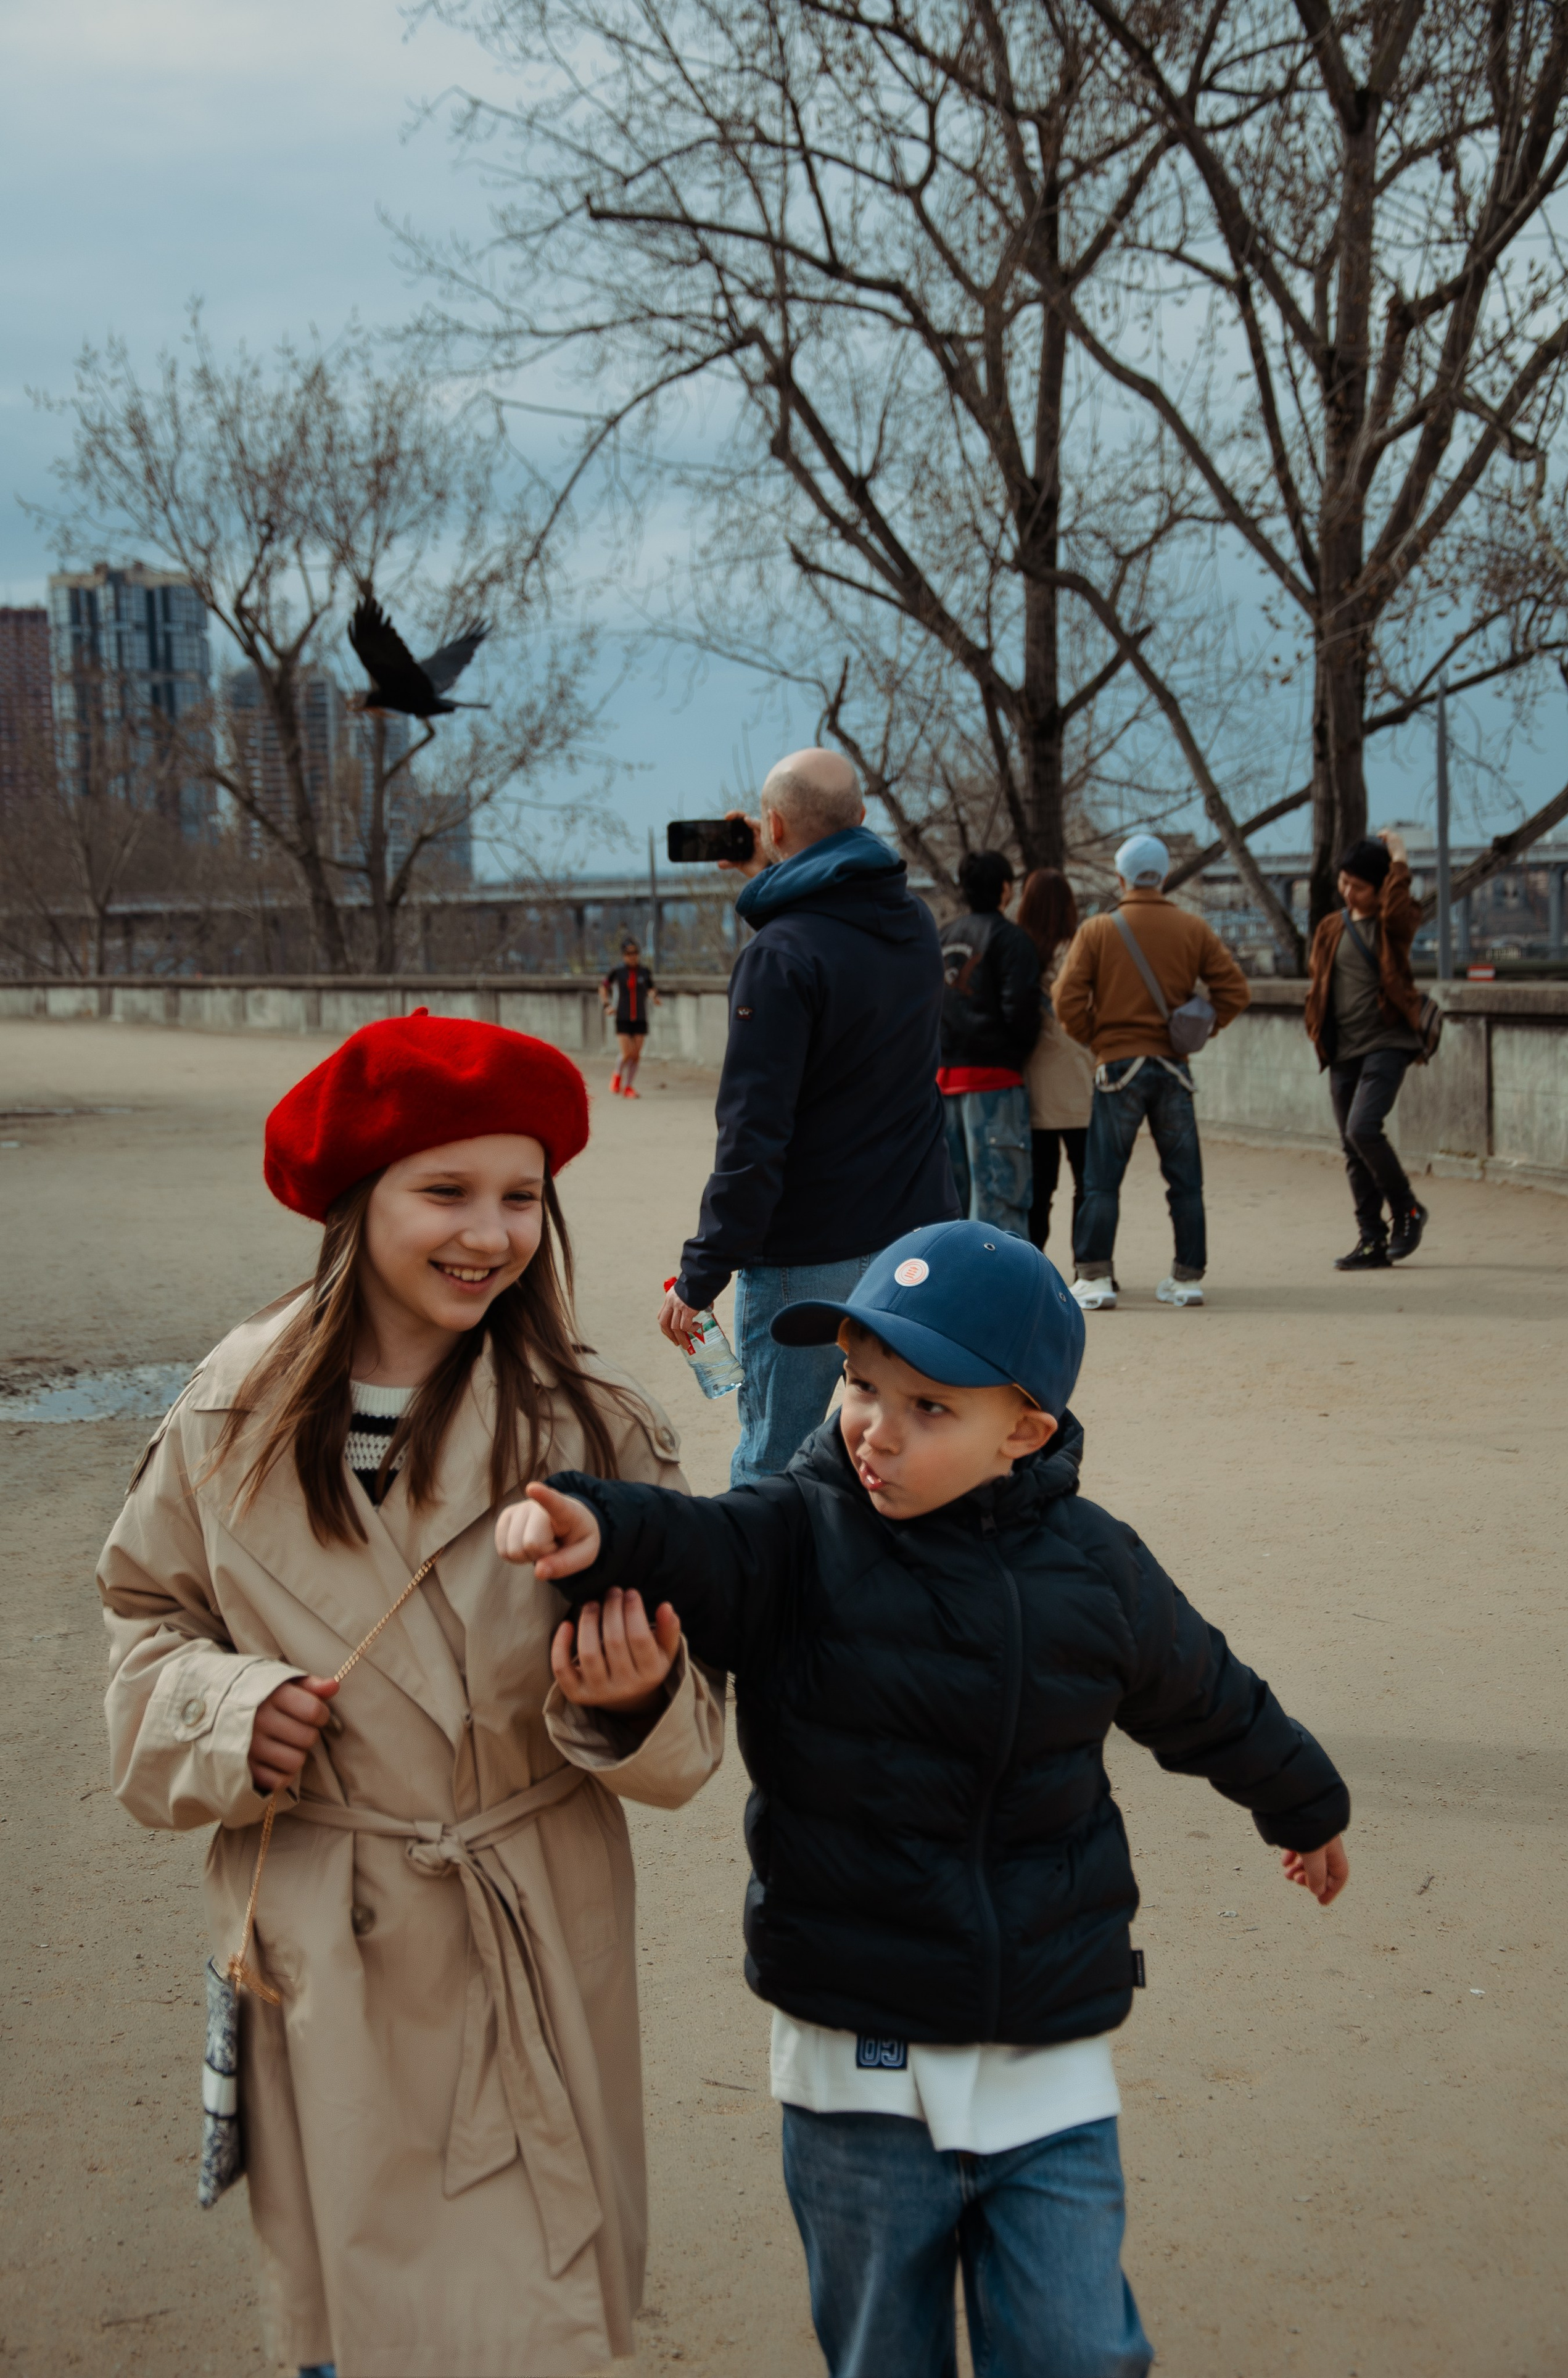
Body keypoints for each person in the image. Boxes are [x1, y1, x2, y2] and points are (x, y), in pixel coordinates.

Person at [498, 1220, 1351, 2378]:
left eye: (927, 1408)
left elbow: (1210, 1697)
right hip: (857, 2056)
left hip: (1045, 2051)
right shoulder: (796, 1535)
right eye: (858, 1385)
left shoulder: (1098, 1570)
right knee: (879, 2356)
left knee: (1076, 2351)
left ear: (1027, 1429)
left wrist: (1305, 1807)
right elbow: (699, 1543)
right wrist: (598, 1527)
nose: (871, 1431)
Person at [97, 1011, 724, 2378]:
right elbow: (147, 1619)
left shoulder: (593, 1425)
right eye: (445, 1191)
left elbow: (694, 1723)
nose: (489, 1232)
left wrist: (633, 1697)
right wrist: (223, 1707)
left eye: (518, 1195)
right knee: (355, 2325)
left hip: (532, 1924)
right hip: (326, 1932)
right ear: (353, 1200)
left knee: (521, 2324)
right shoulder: (229, 1411)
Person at [657, 748, 956, 1485]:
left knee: (775, 1460)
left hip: (807, 1254)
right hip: (911, 1236)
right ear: (860, 819)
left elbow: (755, 1135)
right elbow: (842, 913)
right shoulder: (914, 926)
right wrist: (780, 863)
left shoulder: (780, 956)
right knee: (894, 1451)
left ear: (773, 823)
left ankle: (761, 1601)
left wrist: (702, 1274)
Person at [1055, 832, 1249, 1311]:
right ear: (1162, 876)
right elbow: (1235, 992)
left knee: (1102, 1179)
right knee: (1185, 1180)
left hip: (1118, 1065)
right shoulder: (1193, 928)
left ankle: (1095, 1275)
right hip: (1173, 1068)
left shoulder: (1099, 930)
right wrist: (1197, 1030)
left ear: (1121, 877)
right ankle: (1187, 1278)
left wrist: (1099, 1039)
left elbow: (1065, 1000)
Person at [1303, 828, 1429, 1270]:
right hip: (1343, 1049)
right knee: (1352, 1147)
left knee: (1363, 1128)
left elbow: (1397, 909)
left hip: (1387, 1042)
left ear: (1380, 888)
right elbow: (1319, 982)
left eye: (1359, 886)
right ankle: (1372, 1240)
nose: (1348, 892)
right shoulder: (1331, 927)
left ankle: (1408, 1209)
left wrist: (1398, 857)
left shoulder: (1394, 923)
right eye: (1344, 882)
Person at [936, 850, 1044, 1237]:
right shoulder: (1012, 940)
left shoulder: (941, 937)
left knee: (949, 1211)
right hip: (995, 1082)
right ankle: (1006, 1293)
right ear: (1004, 889)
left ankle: (953, 1293)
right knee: (1001, 1204)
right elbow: (1021, 1011)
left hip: (942, 1083)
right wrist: (1016, 1052)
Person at [1018, 865, 1094, 1256]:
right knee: (1088, 1182)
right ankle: (1089, 1265)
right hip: (1081, 1077)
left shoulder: (1019, 950)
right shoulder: (1081, 948)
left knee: (1038, 1187)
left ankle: (1034, 1266)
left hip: (1031, 1081)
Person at [601, 933, 661, 1098]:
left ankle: (628, 1087)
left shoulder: (644, 972)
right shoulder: (617, 972)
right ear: (623, 955)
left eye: (635, 953)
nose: (632, 956)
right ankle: (617, 1075)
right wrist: (607, 1005)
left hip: (640, 1017)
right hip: (623, 1016)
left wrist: (654, 996)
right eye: (628, 953)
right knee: (627, 1053)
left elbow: (651, 988)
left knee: (636, 1055)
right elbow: (603, 987)